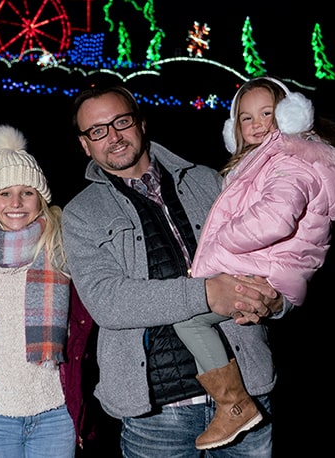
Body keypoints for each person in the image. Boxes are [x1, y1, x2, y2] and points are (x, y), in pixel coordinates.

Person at [60, 84, 284, 458]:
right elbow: (107, 301)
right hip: (159, 415)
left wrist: (276, 301)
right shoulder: (82, 213)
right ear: (85, 144)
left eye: (121, 122)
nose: (113, 137)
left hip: (249, 392)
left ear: (141, 123)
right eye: (98, 131)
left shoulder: (210, 181)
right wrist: (205, 293)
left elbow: (270, 255)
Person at [174, 76, 335, 450]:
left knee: (189, 320)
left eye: (267, 114)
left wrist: (223, 238)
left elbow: (276, 219)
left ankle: (233, 405)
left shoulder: (288, 159)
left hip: (264, 271)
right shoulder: (273, 158)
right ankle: (235, 403)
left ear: (289, 115)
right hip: (273, 270)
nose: (257, 125)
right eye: (246, 118)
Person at [0, 124, 96, 457]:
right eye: (4, 193)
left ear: (41, 199)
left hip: (54, 414)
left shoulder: (64, 248)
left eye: (27, 192)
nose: (15, 202)